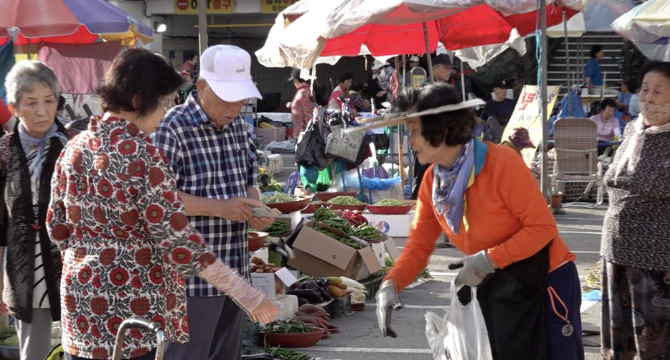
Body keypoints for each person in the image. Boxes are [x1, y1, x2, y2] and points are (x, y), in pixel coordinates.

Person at [47, 48, 277, 360]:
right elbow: (179, 241)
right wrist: (246, 293)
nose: (164, 112)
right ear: (141, 99)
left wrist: (92, 259)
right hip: (132, 309)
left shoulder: (73, 148)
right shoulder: (142, 153)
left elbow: (56, 228)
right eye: (164, 102)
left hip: (80, 305)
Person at [377, 82, 583, 360]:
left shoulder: (502, 163)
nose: (410, 141)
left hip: (548, 280)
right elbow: (417, 247)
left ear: (443, 129)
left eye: (414, 131)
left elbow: (542, 229)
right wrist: (391, 284)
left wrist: (487, 260)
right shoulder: (431, 184)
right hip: (499, 283)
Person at [152, 45, 277, 360]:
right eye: (226, 97)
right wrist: (220, 208)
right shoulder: (173, 127)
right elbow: (158, 200)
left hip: (236, 271)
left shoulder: (240, 130)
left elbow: (249, 185)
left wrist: (256, 211)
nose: (234, 107)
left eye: (240, 98)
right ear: (202, 87)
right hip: (191, 278)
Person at [0, 61, 78, 360]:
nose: (42, 111)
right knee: (33, 350)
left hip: (70, 263)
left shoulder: (74, 145)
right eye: (31, 103)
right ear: (14, 107)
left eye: (49, 101)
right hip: (23, 265)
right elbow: (0, 225)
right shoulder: (5, 152)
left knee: (79, 347)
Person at [601, 61, 670, 360]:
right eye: (644, 89)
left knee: (654, 344)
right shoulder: (632, 130)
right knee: (620, 340)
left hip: (656, 259)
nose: (648, 97)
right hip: (615, 251)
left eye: (658, 91)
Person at [286, 68, 315, 139]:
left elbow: (308, 114)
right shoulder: (306, 91)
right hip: (300, 133)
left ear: (296, 80)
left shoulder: (304, 92)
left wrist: (308, 133)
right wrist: (292, 104)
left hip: (303, 134)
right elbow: (302, 106)